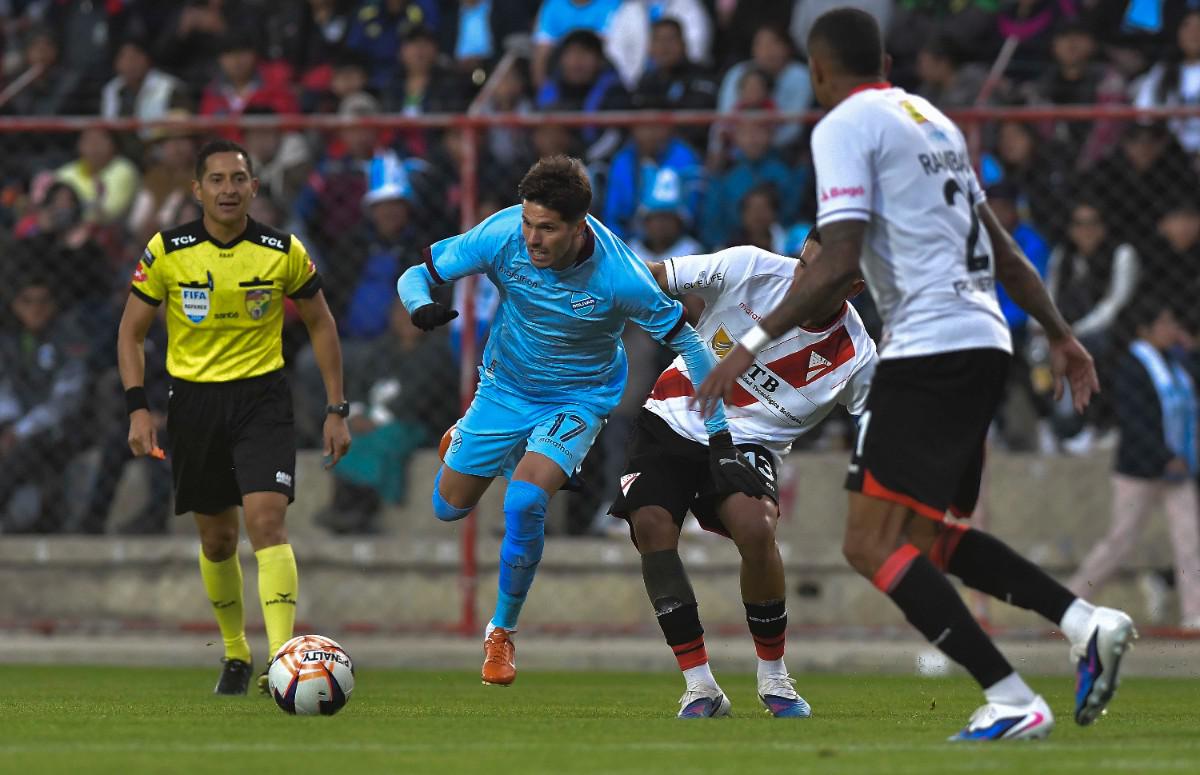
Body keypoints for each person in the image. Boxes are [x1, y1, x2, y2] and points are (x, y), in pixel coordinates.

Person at [695, 8, 1135, 741]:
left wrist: (749, 344)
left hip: (929, 347)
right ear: (889, 66)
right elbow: (1003, 251)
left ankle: (1010, 695)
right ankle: (1083, 620)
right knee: (925, 537)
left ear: (822, 71)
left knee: (868, 542)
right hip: (985, 338)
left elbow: (836, 259)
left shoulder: (841, 126)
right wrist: (1059, 334)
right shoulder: (934, 122)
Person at [396, 155, 765, 686]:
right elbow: (417, 274)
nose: (532, 239)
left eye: (547, 229)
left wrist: (720, 436)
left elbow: (687, 340)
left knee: (525, 500)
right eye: (528, 223)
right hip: (505, 387)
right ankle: (473, 442)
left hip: (580, 397)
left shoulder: (622, 275)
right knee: (447, 508)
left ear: (579, 226)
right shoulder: (501, 233)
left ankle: (501, 633)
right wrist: (418, 306)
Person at [116, 140, 352, 696]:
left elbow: (321, 322)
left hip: (261, 400)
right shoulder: (168, 251)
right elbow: (131, 333)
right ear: (197, 190)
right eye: (216, 180)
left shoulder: (281, 250)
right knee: (218, 541)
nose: (228, 189)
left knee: (267, 523)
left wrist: (337, 408)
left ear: (254, 187)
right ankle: (236, 652)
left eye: (238, 179)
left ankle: (283, 663)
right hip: (193, 403)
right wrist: (137, 407)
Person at [611, 232, 876, 717]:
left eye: (820, 274)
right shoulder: (749, 267)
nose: (802, 278)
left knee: (756, 530)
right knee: (650, 524)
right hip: (675, 413)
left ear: (854, 287)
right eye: (802, 263)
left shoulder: (855, 356)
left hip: (750, 444)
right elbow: (655, 276)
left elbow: (882, 428)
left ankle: (774, 678)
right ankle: (701, 686)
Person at [1068, 303, 1200, 631]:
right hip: (1139, 470)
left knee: (1189, 541)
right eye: (1165, 321)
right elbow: (1134, 419)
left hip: (1178, 471)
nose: (1171, 329)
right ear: (1145, 329)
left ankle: (1193, 613)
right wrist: (1162, 454)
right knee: (1120, 541)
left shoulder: (1177, 364)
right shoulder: (1132, 366)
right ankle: (1069, 602)